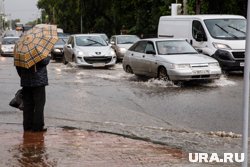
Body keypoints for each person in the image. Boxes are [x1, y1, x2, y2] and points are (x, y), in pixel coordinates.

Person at [16, 56, 50, 132]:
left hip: (26, 82)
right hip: (39, 82)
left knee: (27, 105)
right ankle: (38, 127)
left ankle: (27, 126)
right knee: (39, 105)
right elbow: (45, 62)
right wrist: (48, 56)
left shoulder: (21, 53)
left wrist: (23, 76)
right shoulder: (39, 52)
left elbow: (18, 67)